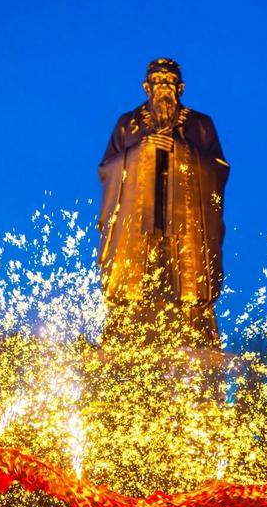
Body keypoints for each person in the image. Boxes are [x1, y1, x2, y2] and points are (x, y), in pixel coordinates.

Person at [98, 58, 229, 345]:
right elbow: (106, 170)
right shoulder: (128, 124)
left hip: (186, 228)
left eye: (169, 81)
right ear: (146, 87)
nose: (163, 88)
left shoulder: (200, 125)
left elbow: (218, 170)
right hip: (137, 226)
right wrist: (140, 152)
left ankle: (193, 328)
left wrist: (181, 151)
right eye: (157, 81)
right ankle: (127, 327)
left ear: (180, 87)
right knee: (134, 280)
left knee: (187, 281)